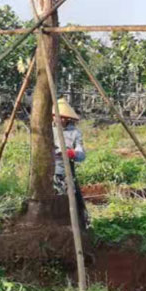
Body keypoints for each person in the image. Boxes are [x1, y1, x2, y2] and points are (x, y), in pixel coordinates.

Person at [52, 97, 89, 228]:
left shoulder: (74, 133)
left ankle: (75, 226)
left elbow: (81, 155)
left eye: (63, 117)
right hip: (49, 171)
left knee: (70, 200)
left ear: (68, 118)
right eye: (58, 116)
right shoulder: (49, 130)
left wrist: (71, 153)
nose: (60, 119)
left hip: (66, 170)